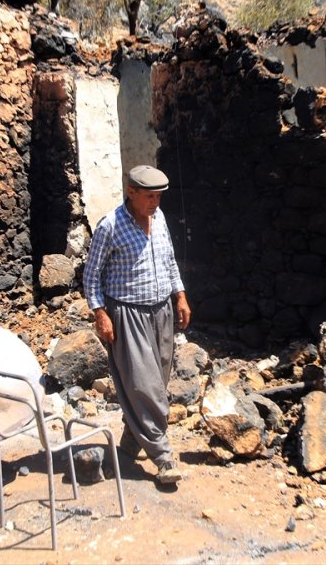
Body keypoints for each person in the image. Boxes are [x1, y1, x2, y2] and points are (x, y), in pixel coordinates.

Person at [83, 164, 192, 485]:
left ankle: (131, 444)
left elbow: (170, 260)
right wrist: (100, 314)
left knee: (157, 379)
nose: (155, 203)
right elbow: (91, 276)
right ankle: (163, 455)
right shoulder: (110, 226)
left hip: (162, 311)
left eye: (158, 196)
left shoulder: (159, 219)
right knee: (144, 386)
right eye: (149, 196)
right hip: (127, 314)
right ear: (131, 192)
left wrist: (181, 296)